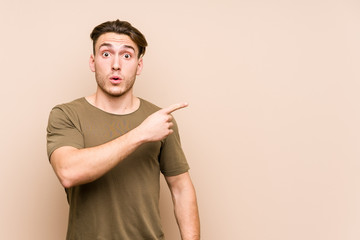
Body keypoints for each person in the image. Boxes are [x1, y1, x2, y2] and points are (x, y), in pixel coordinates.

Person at [46, 19, 200, 240]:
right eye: (106, 54)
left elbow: (181, 188)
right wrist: (140, 134)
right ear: (93, 62)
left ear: (139, 65)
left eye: (126, 55)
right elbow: (69, 172)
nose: (116, 65)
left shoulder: (160, 120)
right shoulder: (66, 115)